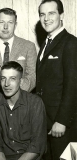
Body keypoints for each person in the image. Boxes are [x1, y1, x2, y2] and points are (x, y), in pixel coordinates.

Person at [36, 0, 77, 159]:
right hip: (46, 123)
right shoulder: (46, 43)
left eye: (51, 13)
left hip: (63, 125)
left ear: (61, 15)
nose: (46, 18)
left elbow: (73, 86)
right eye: (42, 14)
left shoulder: (71, 43)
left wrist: (62, 121)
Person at [0, 61, 46, 160]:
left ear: (21, 81)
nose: (6, 84)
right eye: (3, 79)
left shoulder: (35, 102)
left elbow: (37, 144)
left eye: (12, 79)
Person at [0, 8, 37, 101]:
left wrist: (15, 97)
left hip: (21, 104)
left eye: (10, 22)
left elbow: (32, 77)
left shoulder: (28, 47)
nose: (5, 27)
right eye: (1, 22)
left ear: (15, 25)